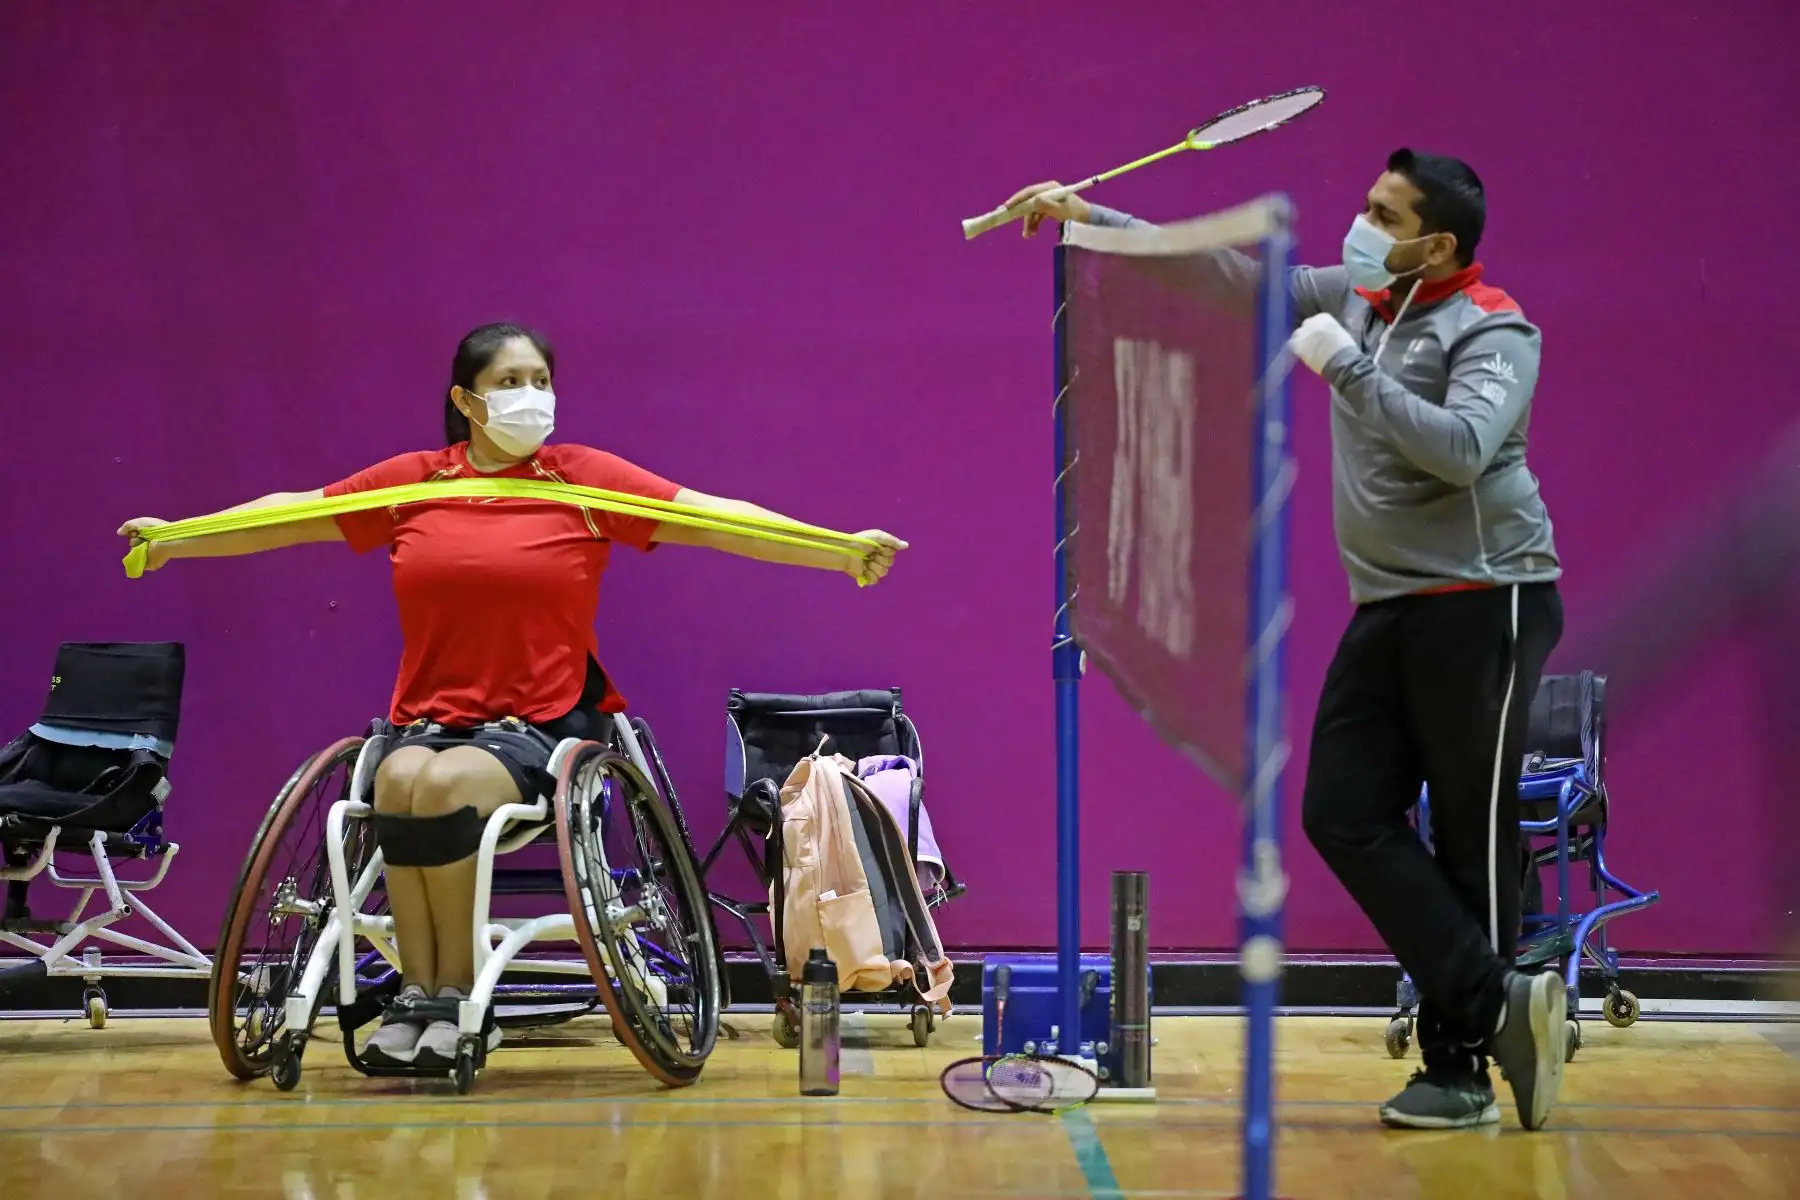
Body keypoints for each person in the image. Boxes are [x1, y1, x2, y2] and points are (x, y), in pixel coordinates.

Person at [118, 321, 905, 1069]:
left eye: (541, 380)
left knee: (451, 782)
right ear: (466, 400)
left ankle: (458, 994)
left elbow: (715, 518)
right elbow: (289, 514)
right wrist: (180, 535)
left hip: (540, 723)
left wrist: (835, 550)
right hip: (426, 720)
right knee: (399, 780)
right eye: (509, 381)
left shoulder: (585, 480)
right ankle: (420, 994)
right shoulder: (416, 482)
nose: (531, 394)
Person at [1005, 150, 1567, 1131]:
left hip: (1487, 599)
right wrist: (1085, 213)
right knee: (1342, 811)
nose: (1362, 224)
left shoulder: (1493, 330)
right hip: (1389, 602)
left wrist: (1342, 367)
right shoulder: (1358, 292)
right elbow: (1230, 277)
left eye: (1384, 215)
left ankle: (1461, 1072)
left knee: (1472, 842)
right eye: (1366, 204)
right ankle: (1500, 1004)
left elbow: (1461, 449)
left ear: (1437, 244)